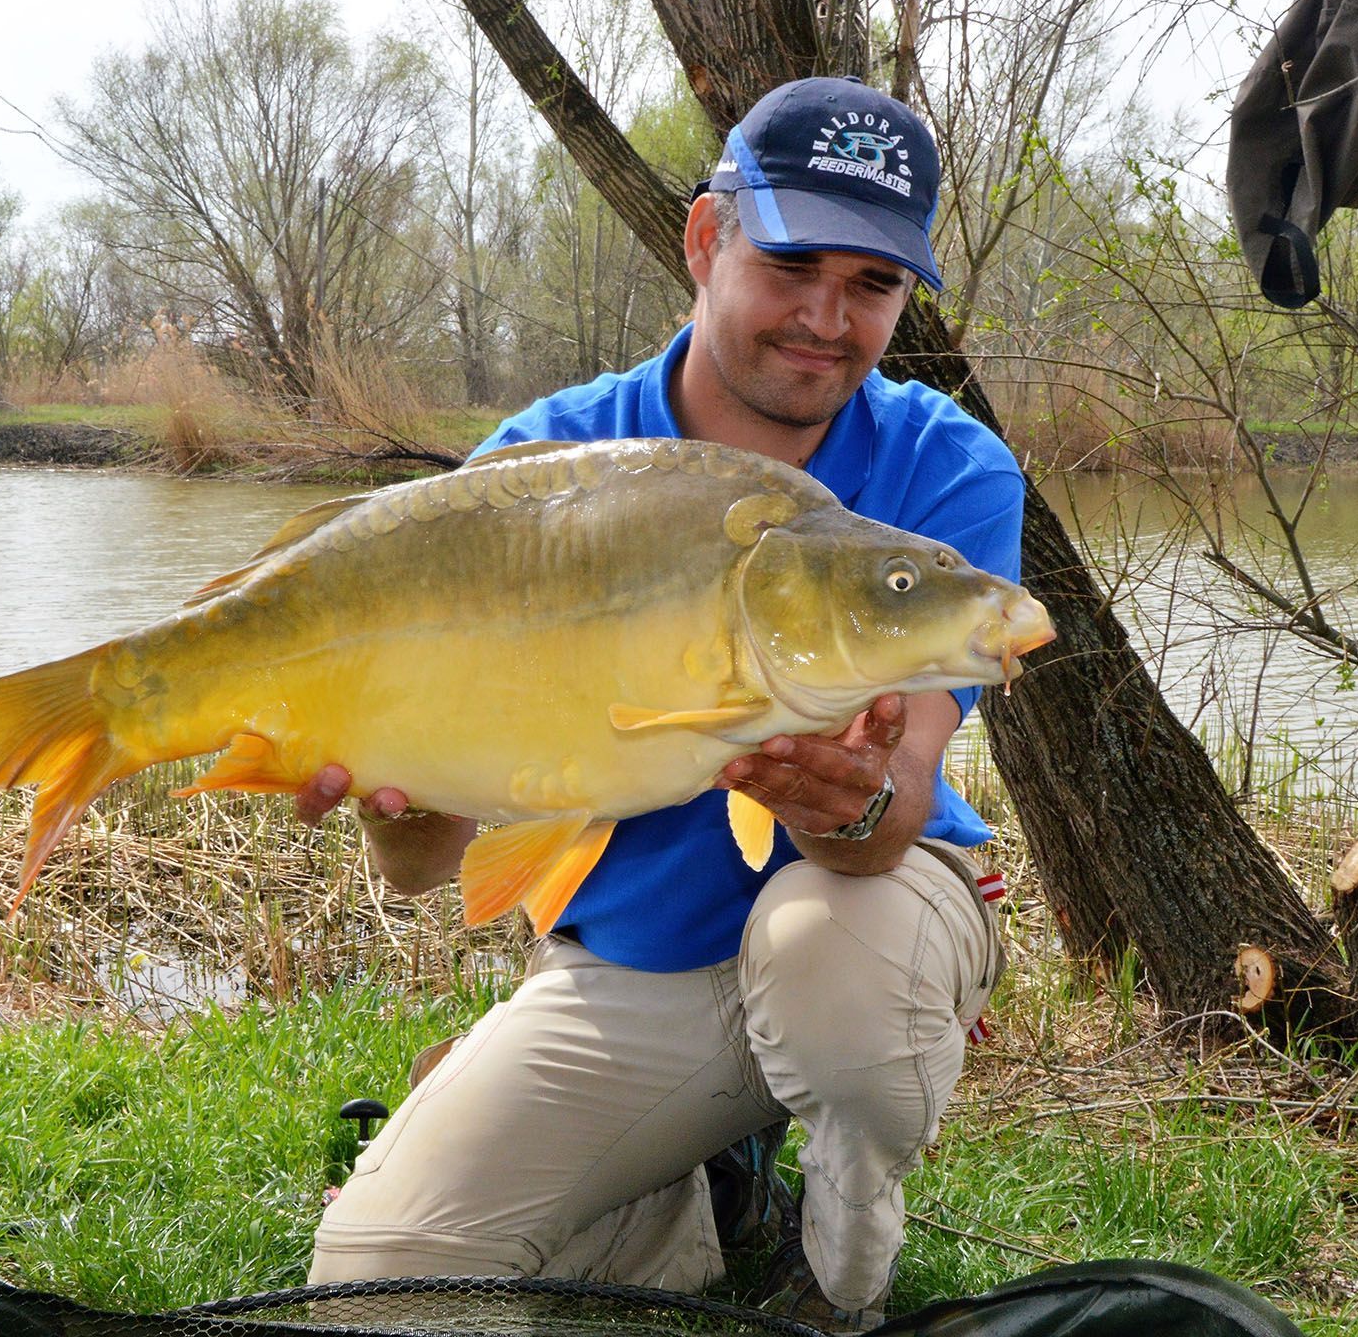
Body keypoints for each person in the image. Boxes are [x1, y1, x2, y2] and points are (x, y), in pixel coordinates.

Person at [295, 76, 1026, 1333]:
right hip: (629, 967)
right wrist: (384, 789)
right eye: (795, 260)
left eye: (874, 286)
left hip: (862, 925)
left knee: (823, 949)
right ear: (706, 239)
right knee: (379, 1287)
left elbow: (893, 817)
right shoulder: (538, 470)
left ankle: (835, 1282)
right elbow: (430, 866)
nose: (827, 318)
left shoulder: (941, 473)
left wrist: (838, 804)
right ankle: (671, 1203)